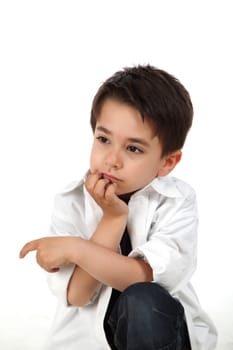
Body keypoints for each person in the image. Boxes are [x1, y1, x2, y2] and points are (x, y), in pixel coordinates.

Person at [19, 64, 217, 350]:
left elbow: (146, 278)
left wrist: (77, 248)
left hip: (158, 333)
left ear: (167, 162)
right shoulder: (71, 200)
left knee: (142, 299)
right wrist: (112, 220)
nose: (112, 159)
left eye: (133, 148)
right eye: (103, 139)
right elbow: (77, 295)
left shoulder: (177, 201)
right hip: (88, 342)